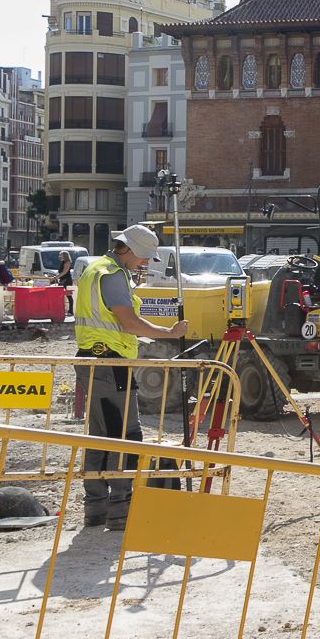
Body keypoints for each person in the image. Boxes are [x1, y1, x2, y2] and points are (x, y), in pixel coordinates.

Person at [74, 224, 187, 529]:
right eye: (144, 257)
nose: (145, 263)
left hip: (95, 360)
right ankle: (119, 510)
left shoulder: (95, 269)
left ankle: (96, 508)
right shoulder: (111, 274)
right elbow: (128, 322)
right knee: (127, 436)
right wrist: (168, 333)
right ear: (129, 248)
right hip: (110, 365)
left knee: (100, 436)